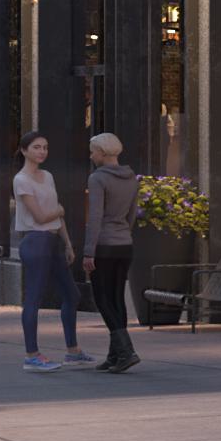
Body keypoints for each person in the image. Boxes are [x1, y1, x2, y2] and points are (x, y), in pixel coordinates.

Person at [11, 131, 92, 372]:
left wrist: (67, 243)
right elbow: (41, 216)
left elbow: (56, 214)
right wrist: (59, 212)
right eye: (36, 147)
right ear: (24, 150)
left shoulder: (47, 176)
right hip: (35, 242)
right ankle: (32, 355)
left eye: (45, 147)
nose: (42, 151)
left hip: (54, 240)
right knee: (34, 298)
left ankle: (73, 351)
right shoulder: (21, 179)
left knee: (73, 294)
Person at [80, 133, 141, 374]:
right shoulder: (131, 178)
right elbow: (132, 215)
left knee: (103, 299)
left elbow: (94, 218)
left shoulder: (97, 178)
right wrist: (124, 233)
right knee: (117, 299)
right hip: (124, 244)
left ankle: (126, 352)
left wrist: (88, 252)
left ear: (103, 154)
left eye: (93, 151)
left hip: (103, 246)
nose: (91, 155)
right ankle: (115, 355)